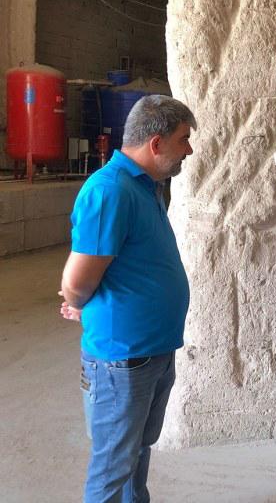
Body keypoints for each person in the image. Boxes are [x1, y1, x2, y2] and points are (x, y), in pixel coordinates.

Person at [59, 94, 196, 502]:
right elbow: (77, 281)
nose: (189, 150)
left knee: (136, 453)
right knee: (112, 469)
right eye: (183, 139)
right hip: (123, 360)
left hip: (151, 352)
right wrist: (78, 301)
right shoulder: (110, 191)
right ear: (156, 143)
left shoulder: (143, 186)